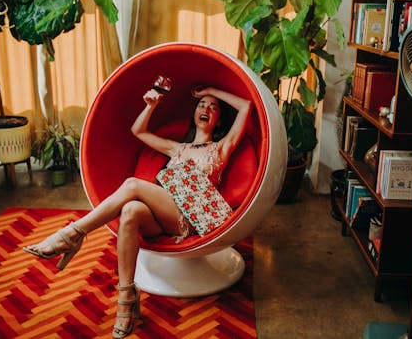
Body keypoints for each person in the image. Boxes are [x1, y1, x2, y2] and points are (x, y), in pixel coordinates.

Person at [23, 84, 252, 338]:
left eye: (213, 107)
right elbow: (138, 130)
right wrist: (151, 105)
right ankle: (126, 296)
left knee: (132, 185)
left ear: (219, 119)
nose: (206, 108)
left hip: (189, 219)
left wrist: (209, 91)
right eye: (201, 104)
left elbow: (246, 106)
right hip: (165, 216)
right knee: (130, 211)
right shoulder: (178, 148)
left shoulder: (221, 147)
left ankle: (72, 234)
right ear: (193, 114)